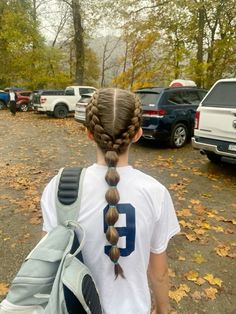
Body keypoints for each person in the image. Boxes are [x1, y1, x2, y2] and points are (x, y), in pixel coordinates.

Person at [41, 88, 180, 314]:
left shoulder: (59, 187)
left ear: (88, 133)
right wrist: (163, 308)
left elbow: (49, 261)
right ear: (137, 134)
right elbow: (159, 272)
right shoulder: (155, 192)